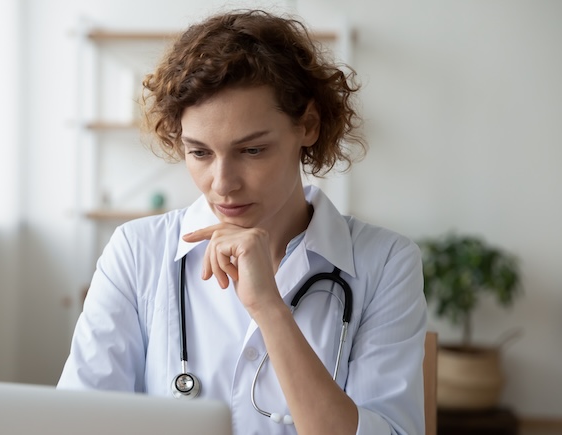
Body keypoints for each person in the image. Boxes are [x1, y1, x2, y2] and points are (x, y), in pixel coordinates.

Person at [58, 9, 427, 435]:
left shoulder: (385, 263)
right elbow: (79, 420)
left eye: (252, 151)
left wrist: (270, 309)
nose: (223, 184)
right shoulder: (136, 252)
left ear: (307, 125)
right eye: (199, 153)